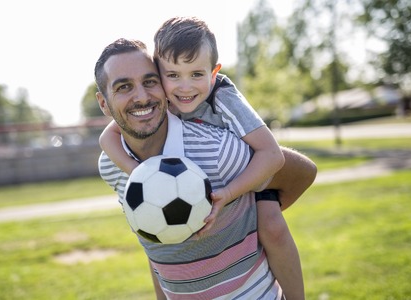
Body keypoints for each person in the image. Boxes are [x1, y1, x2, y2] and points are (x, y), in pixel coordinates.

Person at [99, 16, 304, 299]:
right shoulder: (147, 113)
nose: (185, 87)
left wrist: (232, 195)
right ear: (161, 73)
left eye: (196, 74)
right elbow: (106, 137)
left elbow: (274, 156)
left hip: (248, 179)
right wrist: (140, 173)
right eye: (172, 75)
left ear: (213, 72)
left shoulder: (222, 101)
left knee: (271, 225)